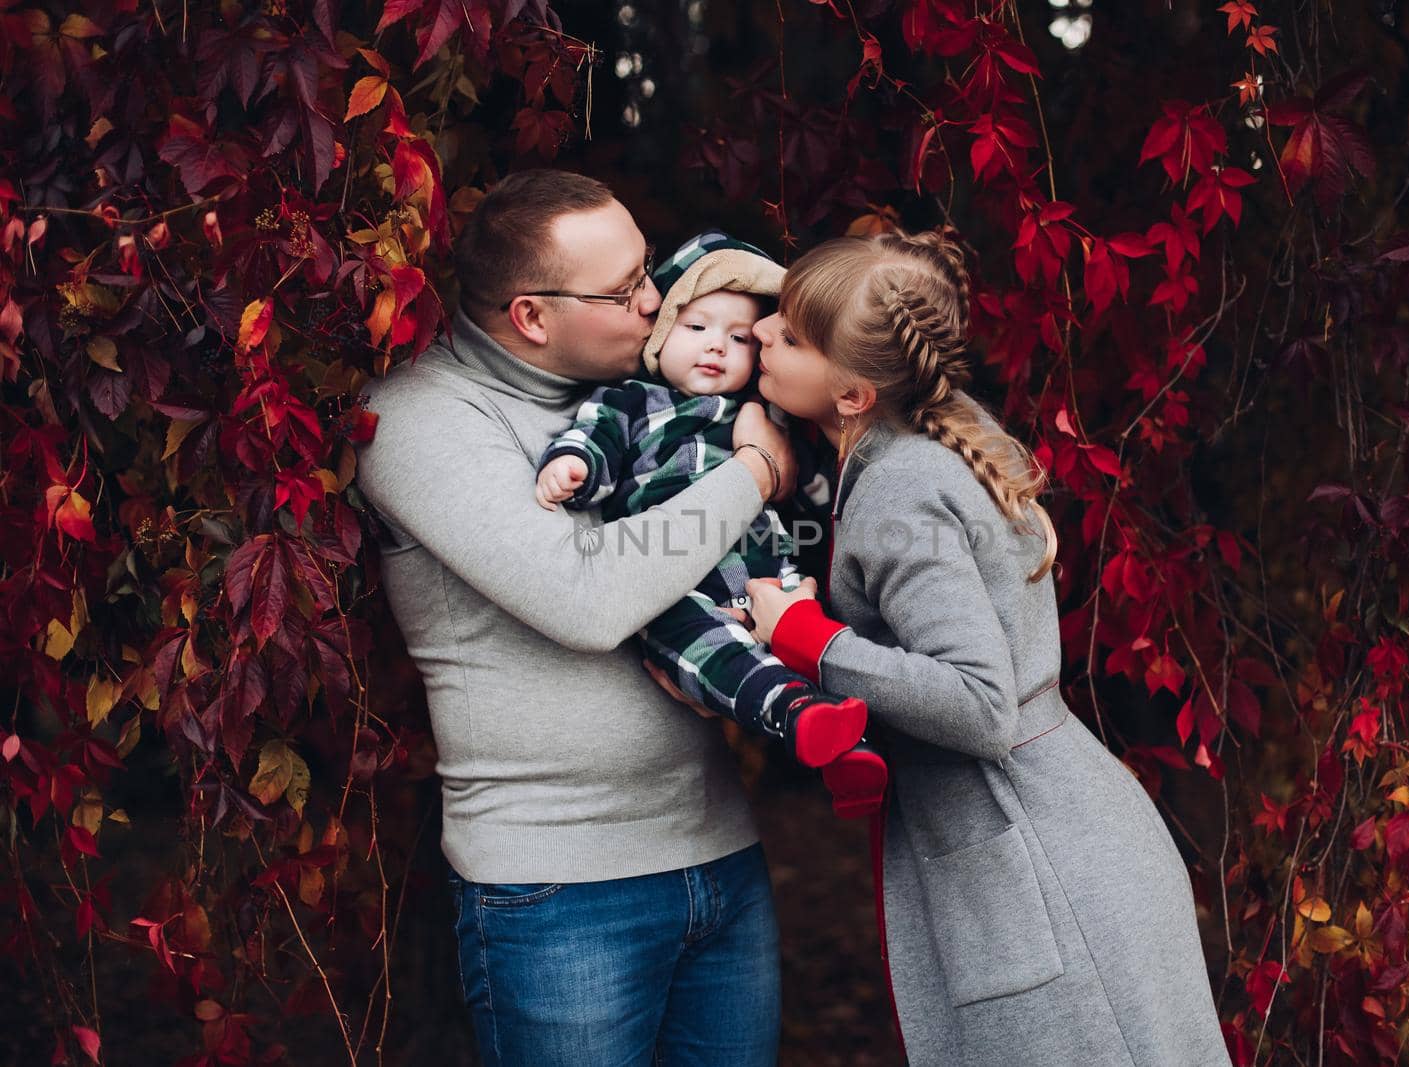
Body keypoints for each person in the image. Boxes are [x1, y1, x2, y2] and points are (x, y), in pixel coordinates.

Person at [737, 230, 1234, 1065]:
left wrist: (805, 637)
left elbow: (977, 703)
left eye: (789, 334)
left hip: (1045, 873)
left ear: (854, 391)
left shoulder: (900, 488)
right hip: (1056, 839)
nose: (758, 334)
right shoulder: (917, 446)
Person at [354, 170, 792, 1067]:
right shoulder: (418, 421)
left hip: (720, 853)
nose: (657, 299)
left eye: (649, 272)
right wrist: (753, 474)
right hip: (558, 889)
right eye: (627, 287)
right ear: (531, 317)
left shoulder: (672, 385)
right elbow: (587, 597)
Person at [533, 230, 868, 770]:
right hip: (674, 584)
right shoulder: (631, 401)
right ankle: (801, 715)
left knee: (818, 635)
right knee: (710, 652)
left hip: (765, 575)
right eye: (696, 327)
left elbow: (810, 485)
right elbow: (595, 438)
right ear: (661, 334)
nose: (717, 346)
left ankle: (848, 738)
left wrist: (822, 494)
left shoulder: (762, 410)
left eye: (740, 340)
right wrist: (575, 466)